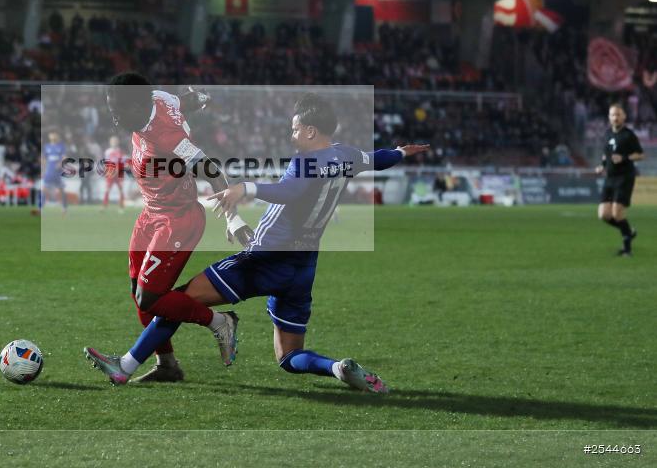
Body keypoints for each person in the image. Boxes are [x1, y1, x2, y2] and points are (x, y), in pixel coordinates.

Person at [86, 93, 430, 391]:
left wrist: (245, 189)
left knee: (177, 298)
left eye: (295, 128)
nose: (291, 132)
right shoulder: (348, 156)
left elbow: (288, 191)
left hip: (264, 259)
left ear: (311, 131)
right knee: (289, 356)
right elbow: (377, 158)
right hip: (303, 266)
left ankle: (127, 366)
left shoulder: (304, 163)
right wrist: (400, 151)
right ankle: (336, 368)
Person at [84, 73, 253, 384]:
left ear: (137, 105)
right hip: (151, 214)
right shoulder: (159, 97)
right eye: (110, 110)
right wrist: (199, 99)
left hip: (178, 220)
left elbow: (211, 168)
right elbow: (182, 102)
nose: (114, 118)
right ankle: (167, 366)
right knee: (138, 293)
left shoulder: (168, 137)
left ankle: (220, 321)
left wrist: (233, 217)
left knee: (150, 297)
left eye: (118, 110)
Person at [596, 104, 644, 257]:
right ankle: (629, 231)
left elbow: (640, 155)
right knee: (603, 215)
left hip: (625, 177)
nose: (615, 118)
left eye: (618, 115)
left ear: (624, 117)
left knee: (617, 214)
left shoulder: (628, 135)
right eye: (612, 115)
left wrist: (624, 158)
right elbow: (606, 155)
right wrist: (602, 165)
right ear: (609, 117)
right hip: (610, 178)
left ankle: (627, 249)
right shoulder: (607, 134)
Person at [102, 135, 126, 212]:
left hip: (119, 171)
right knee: (107, 189)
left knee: (121, 189)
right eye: (113, 141)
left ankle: (121, 207)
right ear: (110, 142)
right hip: (110, 171)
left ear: (118, 142)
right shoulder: (108, 151)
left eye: (115, 141)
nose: (114, 142)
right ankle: (104, 206)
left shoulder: (120, 151)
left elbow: (122, 162)